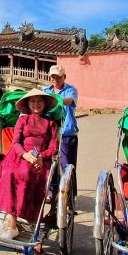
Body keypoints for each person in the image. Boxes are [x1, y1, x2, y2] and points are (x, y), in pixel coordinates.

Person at [0, 89, 60, 239]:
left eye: (39, 101)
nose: (36, 104)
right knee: (9, 172)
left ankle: (15, 223)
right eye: (33, 101)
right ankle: (12, 222)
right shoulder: (22, 120)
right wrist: (24, 154)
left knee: (26, 173)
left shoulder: (51, 123)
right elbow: (16, 142)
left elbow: (53, 147)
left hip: (40, 158)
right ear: (28, 104)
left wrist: (41, 157)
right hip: (20, 154)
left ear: (45, 104)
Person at [43, 64, 78, 196]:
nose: (55, 79)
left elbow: (69, 101)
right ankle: (52, 193)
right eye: (53, 77)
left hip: (67, 133)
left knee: (67, 166)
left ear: (64, 77)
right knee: (50, 163)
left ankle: (69, 196)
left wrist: (55, 100)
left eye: (58, 77)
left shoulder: (71, 89)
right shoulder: (46, 90)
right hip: (49, 133)